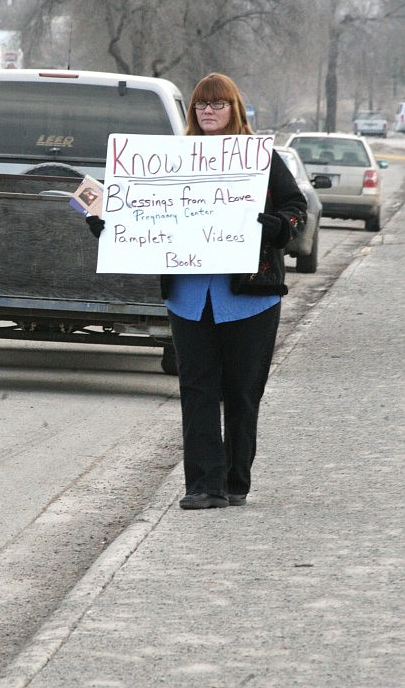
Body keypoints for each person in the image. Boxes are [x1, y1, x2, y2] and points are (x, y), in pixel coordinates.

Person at [86, 72, 307, 510]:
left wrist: (279, 226)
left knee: (242, 392)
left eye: (218, 103)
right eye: (201, 105)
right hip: (189, 298)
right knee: (198, 389)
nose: (209, 111)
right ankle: (205, 485)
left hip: (250, 298)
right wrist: (107, 228)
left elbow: (295, 209)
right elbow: (140, 212)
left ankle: (236, 480)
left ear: (234, 108)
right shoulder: (171, 155)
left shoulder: (260, 158)